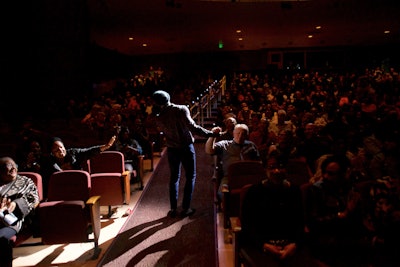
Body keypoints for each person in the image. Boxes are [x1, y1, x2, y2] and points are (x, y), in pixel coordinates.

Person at [239, 154, 319, 267]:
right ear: (265, 169)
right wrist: (265, 245)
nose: (276, 171)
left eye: (281, 167)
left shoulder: (294, 191)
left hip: (290, 245)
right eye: (272, 167)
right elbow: (247, 225)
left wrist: (294, 245)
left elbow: (300, 222)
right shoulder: (254, 192)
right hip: (260, 245)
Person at [152, 90, 220, 218]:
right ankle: (185, 208)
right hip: (185, 147)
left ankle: (173, 209)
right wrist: (211, 134)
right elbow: (193, 127)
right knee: (190, 177)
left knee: (174, 178)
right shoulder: (181, 109)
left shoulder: (158, 115)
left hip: (172, 149)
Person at [40, 135, 116, 199]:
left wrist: (106, 146)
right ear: (52, 152)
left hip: (78, 184)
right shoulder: (49, 160)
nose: (60, 150)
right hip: (62, 187)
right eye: (56, 149)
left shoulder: (73, 153)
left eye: (61, 147)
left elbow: (89, 151)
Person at [0, 157, 40, 267]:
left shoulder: (25, 181)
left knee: (2, 238)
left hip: (16, 220)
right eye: (7, 166)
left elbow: (33, 198)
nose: (12, 167)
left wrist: (15, 204)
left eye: (13, 164)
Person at [205, 123, 261, 200]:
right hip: (229, 178)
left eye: (243, 134)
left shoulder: (251, 146)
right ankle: (224, 208)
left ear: (247, 135)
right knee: (223, 192)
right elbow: (209, 150)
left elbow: (258, 163)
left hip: (248, 177)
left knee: (258, 193)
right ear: (233, 133)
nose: (240, 136)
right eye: (238, 133)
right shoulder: (225, 144)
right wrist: (213, 136)